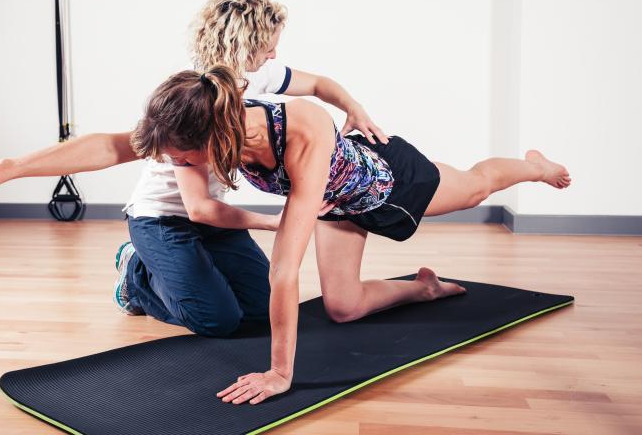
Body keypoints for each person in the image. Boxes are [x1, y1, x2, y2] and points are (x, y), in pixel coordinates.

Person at [0, 0, 387, 338]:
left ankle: (179, 274)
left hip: (215, 221)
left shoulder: (259, 76)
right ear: (245, 46)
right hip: (164, 221)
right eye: (269, 44)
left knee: (257, 313)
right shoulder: (190, 97)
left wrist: (354, 108)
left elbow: (321, 83)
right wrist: (6, 168)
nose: (276, 53)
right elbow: (117, 149)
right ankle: (135, 274)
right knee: (216, 319)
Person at [130, 64, 572, 405]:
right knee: (343, 307)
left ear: (213, 138)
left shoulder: (300, 131)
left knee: (476, 187)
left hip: (389, 186)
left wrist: (280, 374)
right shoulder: (213, 123)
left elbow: (284, 271)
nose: (177, 163)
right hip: (335, 206)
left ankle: (535, 166)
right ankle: (423, 288)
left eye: (181, 157)